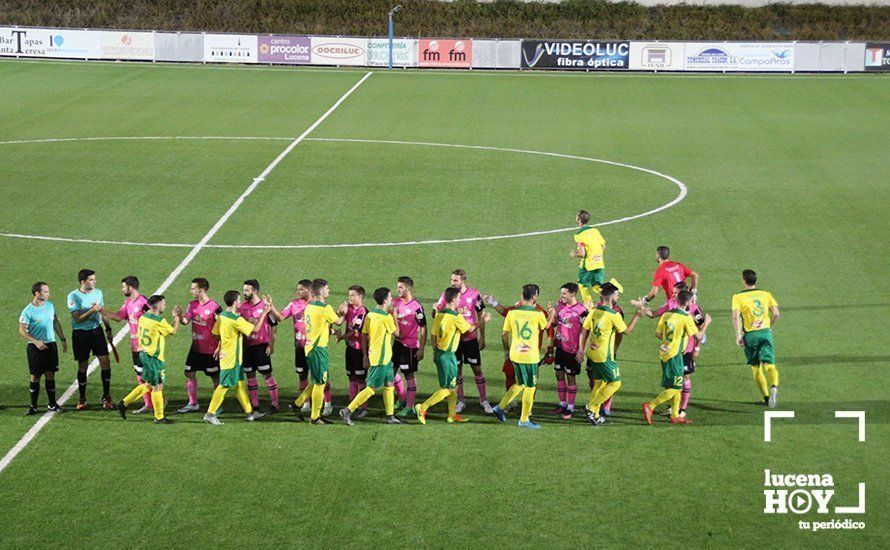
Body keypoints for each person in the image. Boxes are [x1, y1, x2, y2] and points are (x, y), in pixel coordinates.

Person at [416, 287, 490, 425]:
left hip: (439, 353)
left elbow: (433, 335)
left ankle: (452, 414)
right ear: (455, 299)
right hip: (448, 356)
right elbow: (471, 329)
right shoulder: (456, 317)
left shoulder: (439, 314)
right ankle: (423, 407)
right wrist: (484, 319)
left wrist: (435, 351)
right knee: (448, 388)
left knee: (453, 385)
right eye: (458, 298)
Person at [577, 283, 644, 425]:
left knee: (598, 383)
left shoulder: (594, 311)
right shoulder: (614, 315)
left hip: (592, 352)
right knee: (615, 383)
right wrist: (637, 316)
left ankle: (594, 414)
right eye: (617, 294)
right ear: (612, 296)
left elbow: (584, 329)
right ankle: (591, 407)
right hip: (604, 355)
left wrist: (581, 349)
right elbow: (626, 331)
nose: (618, 296)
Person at [203, 290, 272, 425]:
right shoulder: (236, 320)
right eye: (239, 300)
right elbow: (255, 330)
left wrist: (220, 345)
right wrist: (264, 312)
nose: (240, 302)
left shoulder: (222, 316)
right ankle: (210, 413)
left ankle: (250, 413)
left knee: (240, 385)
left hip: (231, 357)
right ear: (235, 302)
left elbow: (216, 333)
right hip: (231, 359)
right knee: (224, 385)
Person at [491, 284, 555, 429]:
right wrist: (551, 313)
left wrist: (507, 351)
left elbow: (504, 334)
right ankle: (524, 419)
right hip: (530, 356)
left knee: (520, 383)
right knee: (530, 386)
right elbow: (546, 326)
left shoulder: (512, 313)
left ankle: (500, 408)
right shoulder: (537, 314)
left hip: (515, 354)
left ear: (522, 296)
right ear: (534, 297)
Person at [643, 290, 709, 425]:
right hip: (675, 355)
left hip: (665, 352)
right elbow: (698, 336)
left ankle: (674, 415)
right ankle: (651, 406)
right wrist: (707, 322)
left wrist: (670, 342)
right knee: (676, 388)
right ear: (689, 303)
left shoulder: (667, 314)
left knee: (674, 384)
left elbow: (658, 334)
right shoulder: (686, 318)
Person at [340, 287, 402, 425]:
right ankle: (348, 410)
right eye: (390, 297)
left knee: (389, 385)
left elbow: (363, 335)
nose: (391, 298)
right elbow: (397, 333)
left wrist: (365, 355)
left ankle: (390, 416)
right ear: (386, 300)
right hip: (381, 359)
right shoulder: (386, 317)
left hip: (380, 357)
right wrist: (395, 317)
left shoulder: (370, 315)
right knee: (371, 388)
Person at [433, 269, 491, 414]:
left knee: (477, 369)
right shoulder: (448, 295)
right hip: (455, 341)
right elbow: (437, 314)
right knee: (457, 372)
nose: (452, 283)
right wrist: (434, 310)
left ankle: (483, 400)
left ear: (463, 281)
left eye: (455, 280)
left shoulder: (474, 295)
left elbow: (480, 315)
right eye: (451, 280)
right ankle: (460, 400)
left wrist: (482, 336)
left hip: (470, 340)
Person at [116, 295, 181, 424]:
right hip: (154, 358)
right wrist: (176, 317)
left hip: (144, 354)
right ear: (156, 306)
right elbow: (172, 331)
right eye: (163, 304)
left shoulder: (143, 317)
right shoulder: (159, 321)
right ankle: (159, 417)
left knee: (149, 384)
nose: (164, 306)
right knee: (157, 386)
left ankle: (124, 403)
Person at [291, 279, 346, 425]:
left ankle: (297, 403)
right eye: (327, 289)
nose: (329, 290)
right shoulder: (325, 308)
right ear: (320, 291)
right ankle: (315, 417)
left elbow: (324, 321)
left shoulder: (310, 306)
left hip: (310, 348)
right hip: (318, 350)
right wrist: (344, 313)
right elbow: (339, 322)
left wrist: (337, 313)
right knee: (320, 382)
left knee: (316, 380)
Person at [731, 269, 780, 407]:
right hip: (765, 333)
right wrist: (769, 326)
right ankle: (774, 386)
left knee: (756, 368)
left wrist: (738, 335)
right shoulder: (766, 294)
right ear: (755, 280)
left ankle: (765, 398)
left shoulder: (738, 297)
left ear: (743, 281)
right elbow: (776, 313)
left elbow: (735, 316)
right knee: (770, 365)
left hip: (750, 335)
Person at [104, 276, 152, 414]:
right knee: (140, 376)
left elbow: (153, 321)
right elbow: (119, 317)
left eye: (123, 287)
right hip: (135, 347)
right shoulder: (128, 302)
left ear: (130, 287)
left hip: (145, 347)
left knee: (150, 377)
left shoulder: (144, 303)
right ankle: (148, 404)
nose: (122, 289)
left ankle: (161, 401)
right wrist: (101, 310)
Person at [67, 269, 114, 410]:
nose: (94, 282)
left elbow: (102, 312)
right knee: (83, 365)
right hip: (80, 334)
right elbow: (78, 319)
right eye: (91, 280)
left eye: (94, 279)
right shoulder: (73, 296)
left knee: (105, 362)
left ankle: (106, 396)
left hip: (96, 331)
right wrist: (93, 310)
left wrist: (108, 328)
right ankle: (82, 399)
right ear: (83, 282)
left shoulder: (98, 293)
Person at [19, 282, 67, 414]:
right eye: (46, 292)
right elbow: (22, 330)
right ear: (37, 293)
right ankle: (33, 406)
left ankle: (52, 404)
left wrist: (62, 339)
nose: (48, 294)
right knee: (35, 377)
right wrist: (35, 341)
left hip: (51, 345)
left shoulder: (50, 306)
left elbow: (55, 322)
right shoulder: (28, 311)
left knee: (50, 375)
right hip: (35, 348)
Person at [175, 278, 221, 412]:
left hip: (211, 349)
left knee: (215, 377)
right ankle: (193, 403)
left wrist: (220, 346)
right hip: (196, 348)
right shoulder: (192, 304)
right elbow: (185, 321)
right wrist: (179, 315)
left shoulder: (215, 307)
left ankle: (216, 405)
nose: (191, 291)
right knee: (189, 372)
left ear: (201, 290)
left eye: (193, 289)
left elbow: (222, 327)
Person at [270, 279, 313, 414]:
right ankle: (306, 403)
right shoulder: (294, 304)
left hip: (314, 347)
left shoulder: (317, 304)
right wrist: (271, 307)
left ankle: (327, 403)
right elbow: (281, 317)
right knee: (302, 375)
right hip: (300, 346)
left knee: (320, 376)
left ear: (309, 290)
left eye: (300, 289)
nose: (298, 292)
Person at [239, 279, 280, 413]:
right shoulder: (242, 307)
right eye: (244, 290)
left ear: (254, 291)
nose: (244, 292)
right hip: (247, 347)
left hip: (262, 346)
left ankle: (275, 404)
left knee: (267, 375)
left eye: (247, 290)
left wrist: (271, 344)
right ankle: (255, 405)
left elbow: (273, 326)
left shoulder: (265, 306)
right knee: (250, 375)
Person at [550, 283, 588, 419]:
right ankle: (562, 404)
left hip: (572, 350)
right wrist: (553, 314)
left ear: (573, 294)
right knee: (559, 374)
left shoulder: (582, 310)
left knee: (571, 377)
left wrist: (581, 350)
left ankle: (570, 407)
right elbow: (554, 324)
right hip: (560, 347)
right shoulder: (560, 305)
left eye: (564, 293)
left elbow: (586, 331)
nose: (562, 296)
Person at [391, 276, 427, 417]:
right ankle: (402, 398)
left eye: (400, 287)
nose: (397, 289)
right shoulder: (396, 302)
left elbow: (423, 328)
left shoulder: (416, 308)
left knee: (409, 375)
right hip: (397, 344)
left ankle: (409, 406)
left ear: (408, 288)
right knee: (391, 372)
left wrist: (422, 348)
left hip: (410, 347)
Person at [336, 285, 368, 417]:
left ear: (360, 296)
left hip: (359, 351)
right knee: (351, 377)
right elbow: (338, 322)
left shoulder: (363, 312)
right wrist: (340, 312)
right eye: (349, 295)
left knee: (361, 379)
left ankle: (363, 407)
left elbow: (355, 331)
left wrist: (341, 336)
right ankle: (351, 406)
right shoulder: (348, 308)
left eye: (352, 295)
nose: (350, 297)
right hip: (349, 349)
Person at [635, 246, 699, 308]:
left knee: (656, 314)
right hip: (688, 300)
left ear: (658, 256)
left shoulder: (661, 271)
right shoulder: (678, 265)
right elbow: (695, 275)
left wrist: (645, 300)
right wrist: (694, 292)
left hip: (675, 303)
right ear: (668, 256)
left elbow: (654, 293)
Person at [571, 210, 606, 305]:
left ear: (579, 219)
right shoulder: (595, 231)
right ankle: (611, 293)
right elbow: (603, 246)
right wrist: (596, 256)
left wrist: (574, 254)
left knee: (582, 285)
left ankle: (589, 306)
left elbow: (582, 254)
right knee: (596, 286)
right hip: (599, 262)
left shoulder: (579, 235)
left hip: (588, 265)